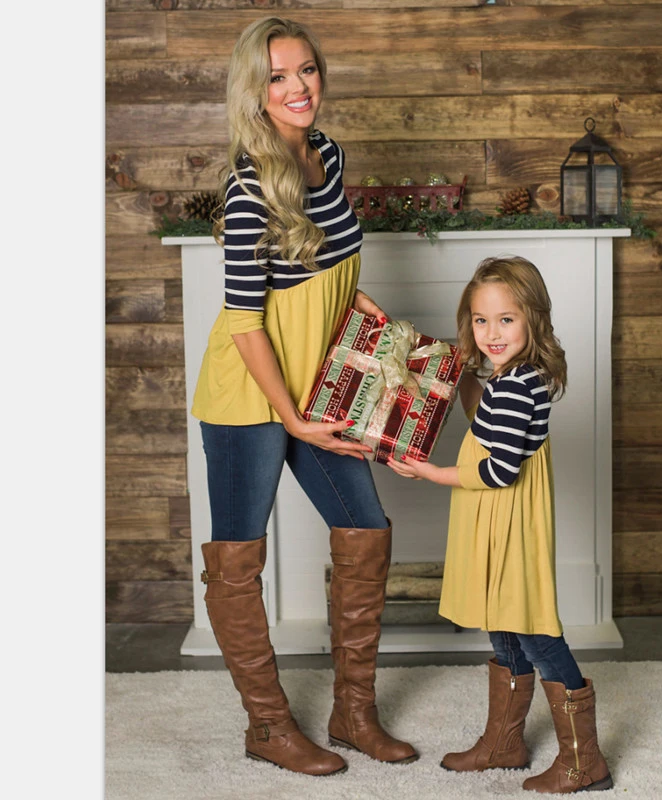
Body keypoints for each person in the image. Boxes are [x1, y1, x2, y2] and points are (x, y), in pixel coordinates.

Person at [191, 16, 419, 777]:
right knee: (237, 554)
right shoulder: (250, 186)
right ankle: (267, 726)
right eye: (278, 77)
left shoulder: (327, 153)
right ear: (253, 92)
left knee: (365, 527)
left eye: (307, 71)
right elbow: (249, 321)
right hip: (251, 397)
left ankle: (354, 714)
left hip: (321, 387)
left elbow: (328, 281)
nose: (298, 89)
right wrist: (293, 417)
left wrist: (370, 350)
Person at [387, 256, 613, 793]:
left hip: (508, 518)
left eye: (506, 320)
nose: (491, 332)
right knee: (503, 620)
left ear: (533, 318)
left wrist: (429, 472)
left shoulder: (518, 385)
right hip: (496, 517)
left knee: (533, 629)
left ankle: (585, 762)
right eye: (481, 319)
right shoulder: (512, 379)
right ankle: (504, 743)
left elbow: (499, 467)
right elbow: (482, 421)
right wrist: (465, 372)